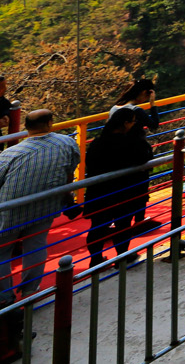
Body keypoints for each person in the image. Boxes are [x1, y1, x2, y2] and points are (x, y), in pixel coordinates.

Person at [0, 110, 80, 304]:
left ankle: (5, 298)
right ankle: (30, 291)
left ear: (25, 127)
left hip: (10, 211)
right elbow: (69, 174)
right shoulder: (67, 143)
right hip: (47, 204)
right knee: (36, 245)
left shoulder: (10, 153)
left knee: (2, 251)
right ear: (50, 123)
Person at [84, 107, 152, 265]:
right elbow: (145, 158)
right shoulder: (131, 143)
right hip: (124, 192)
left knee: (98, 226)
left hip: (99, 191)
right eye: (133, 122)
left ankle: (95, 260)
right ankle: (122, 257)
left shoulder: (97, 142)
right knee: (123, 224)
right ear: (126, 123)